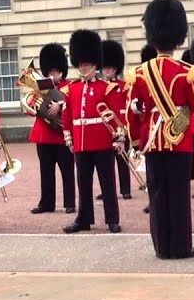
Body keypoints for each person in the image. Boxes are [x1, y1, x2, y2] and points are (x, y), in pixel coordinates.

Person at [128, 0, 194, 260]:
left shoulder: (140, 73)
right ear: (177, 37)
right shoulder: (188, 73)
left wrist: (137, 142)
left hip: (152, 141)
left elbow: (133, 111)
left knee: (157, 195)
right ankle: (180, 247)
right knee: (179, 194)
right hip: (179, 140)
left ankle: (161, 247)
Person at [61, 29, 124, 234]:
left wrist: (119, 138)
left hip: (102, 142)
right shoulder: (72, 88)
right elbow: (67, 116)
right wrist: (69, 138)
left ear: (94, 64)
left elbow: (115, 115)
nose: (83, 68)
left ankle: (112, 219)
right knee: (83, 185)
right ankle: (84, 219)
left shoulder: (106, 88)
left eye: (86, 64)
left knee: (108, 183)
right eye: (80, 64)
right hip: (81, 143)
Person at [27, 43, 75, 215]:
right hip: (44, 135)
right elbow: (31, 107)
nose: (52, 74)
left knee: (67, 171)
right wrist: (32, 105)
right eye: (50, 71)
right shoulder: (40, 87)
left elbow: (74, 104)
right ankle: (47, 203)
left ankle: (70, 202)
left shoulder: (68, 87)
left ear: (61, 71)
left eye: (55, 71)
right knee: (46, 172)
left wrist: (60, 105)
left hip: (62, 136)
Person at [100, 39, 133, 200]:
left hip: (120, 127)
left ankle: (125, 189)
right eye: (105, 68)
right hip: (104, 129)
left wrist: (124, 129)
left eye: (110, 68)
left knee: (122, 161)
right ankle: (107, 190)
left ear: (116, 69)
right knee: (106, 165)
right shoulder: (99, 86)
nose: (108, 71)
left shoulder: (123, 85)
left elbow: (126, 108)